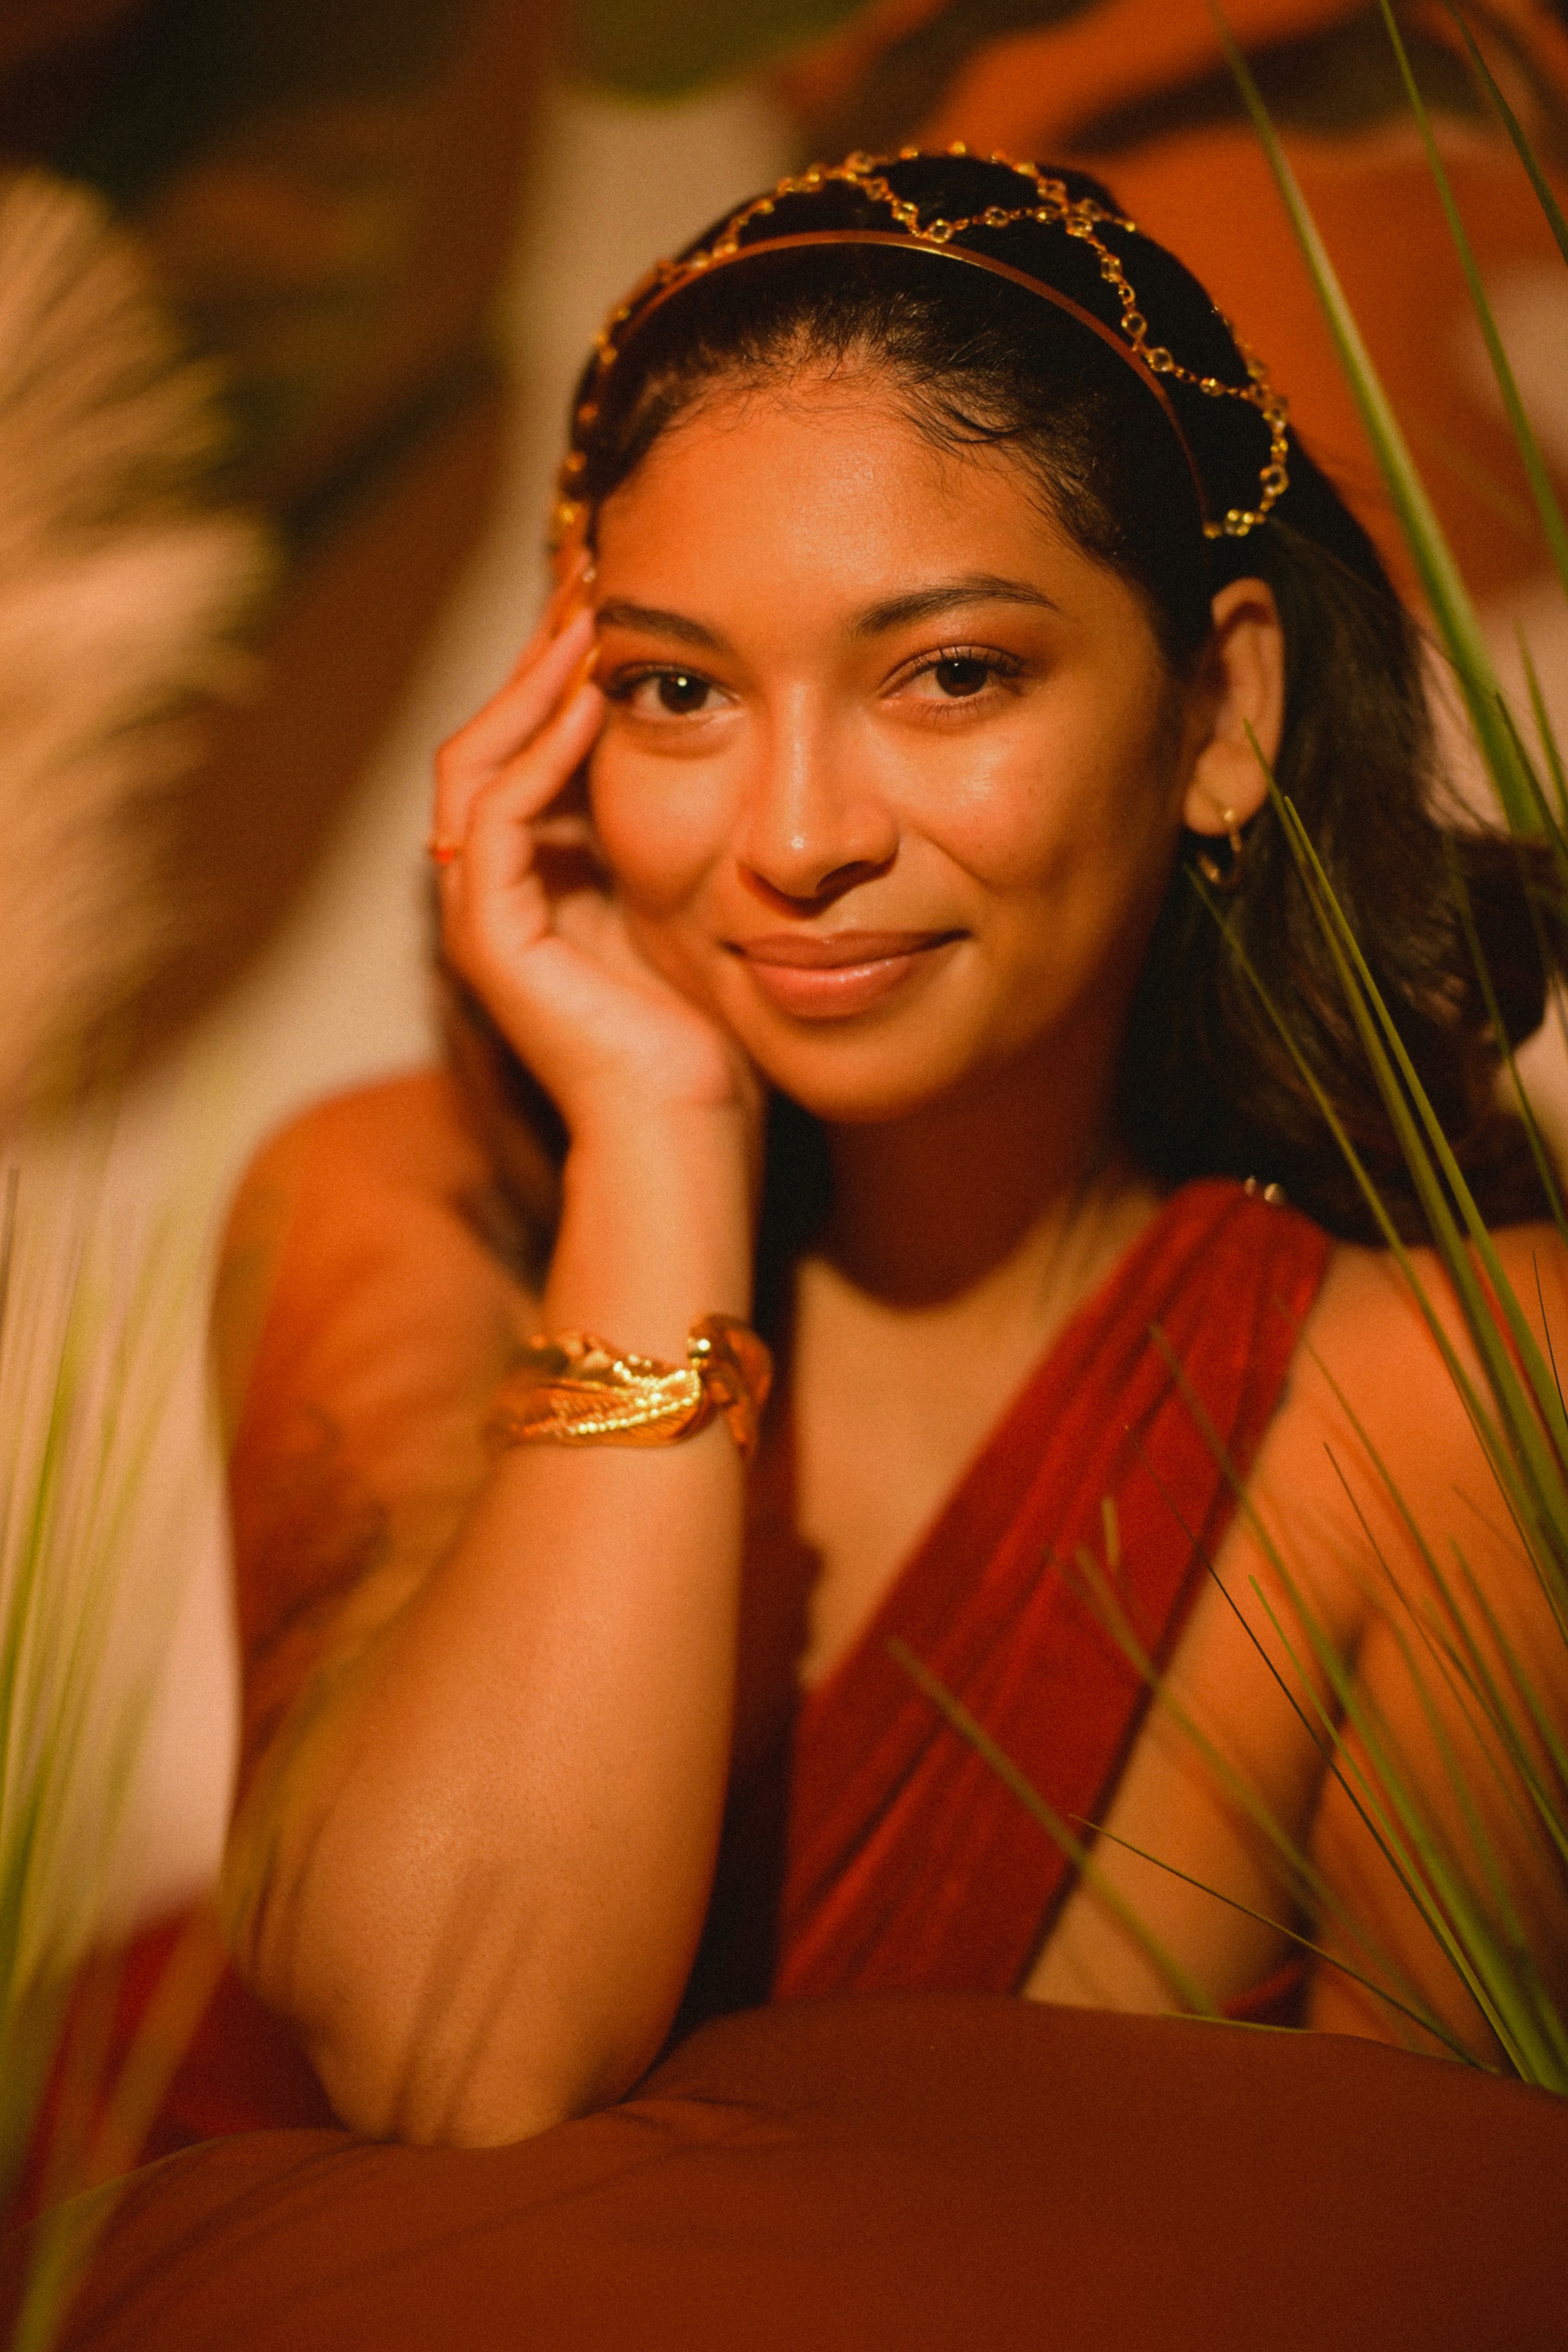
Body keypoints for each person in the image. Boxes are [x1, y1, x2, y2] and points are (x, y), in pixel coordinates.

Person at [192, 148, 1568, 2161]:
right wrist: (659, 1138)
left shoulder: (1444, 1395)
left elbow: (1430, 2249)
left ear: (1221, 708)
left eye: (950, 673)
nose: (799, 834)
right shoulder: (390, 1204)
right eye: (677, 691)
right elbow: (449, 2056)